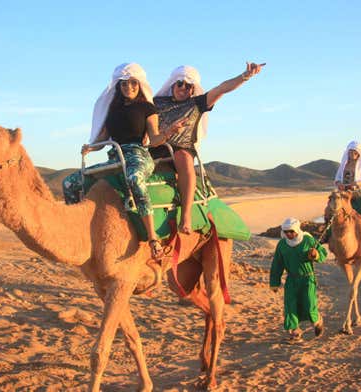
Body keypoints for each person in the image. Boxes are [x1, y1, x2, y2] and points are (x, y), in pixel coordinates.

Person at [149, 62, 264, 234]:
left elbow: (221, 89)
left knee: (183, 158)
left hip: (182, 148)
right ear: (173, 84)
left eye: (189, 86)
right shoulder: (156, 103)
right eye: (180, 83)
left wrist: (245, 76)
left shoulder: (197, 103)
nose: (184, 88)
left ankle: (186, 216)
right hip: (156, 146)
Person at [78, 63, 177, 261]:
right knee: (72, 182)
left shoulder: (147, 108)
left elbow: (154, 138)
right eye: (124, 84)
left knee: (134, 178)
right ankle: (78, 231)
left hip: (138, 155)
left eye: (133, 83)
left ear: (139, 84)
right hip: (116, 157)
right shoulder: (112, 111)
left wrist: (168, 133)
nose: (128, 87)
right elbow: (102, 141)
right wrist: (90, 147)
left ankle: (152, 237)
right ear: (118, 86)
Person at [270, 218, 327, 341]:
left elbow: (323, 254)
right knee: (290, 306)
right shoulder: (282, 245)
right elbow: (277, 264)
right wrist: (274, 282)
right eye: (286, 232)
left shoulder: (307, 240)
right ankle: (295, 333)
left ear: (296, 230)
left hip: (307, 279)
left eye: (291, 231)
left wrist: (315, 255)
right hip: (291, 280)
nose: (289, 234)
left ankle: (317, 321)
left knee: (309, 303)